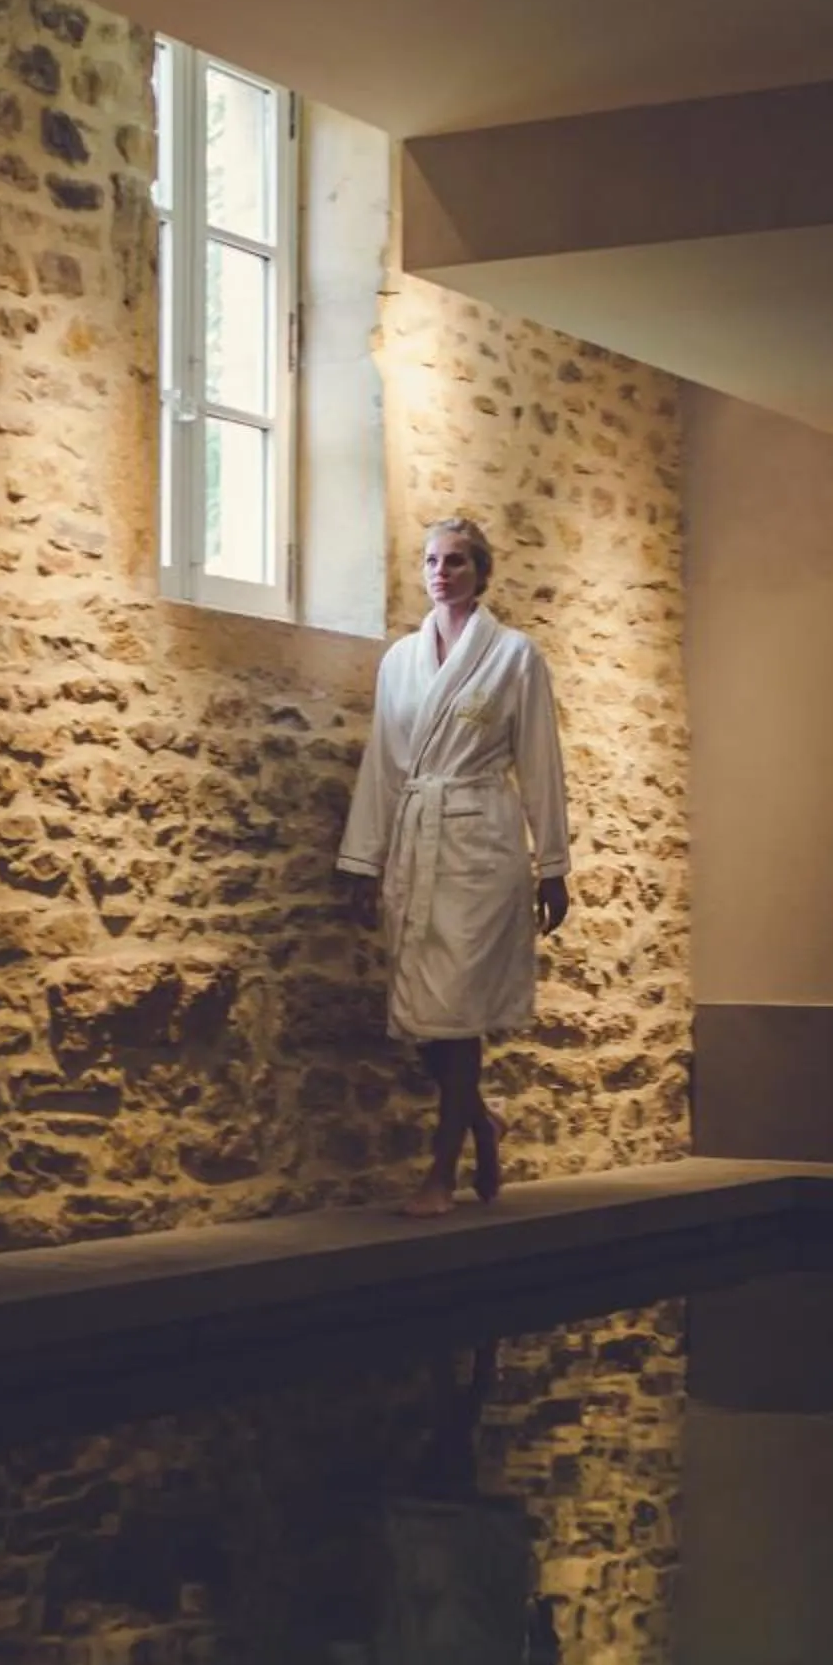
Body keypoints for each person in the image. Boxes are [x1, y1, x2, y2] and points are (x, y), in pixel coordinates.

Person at [337, 518, 571, 1215]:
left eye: (458, 561)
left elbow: (540, 763)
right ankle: (481, 1120)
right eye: (433, 561)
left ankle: (440, 1174)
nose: (442, 572)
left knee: (456, 1011)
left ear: (482, 573)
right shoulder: (400, 660)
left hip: (480, 850)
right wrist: (362, 859)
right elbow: (384, 764)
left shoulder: (515, 657)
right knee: (418, 1009)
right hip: (417, 839)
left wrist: (552, 864)